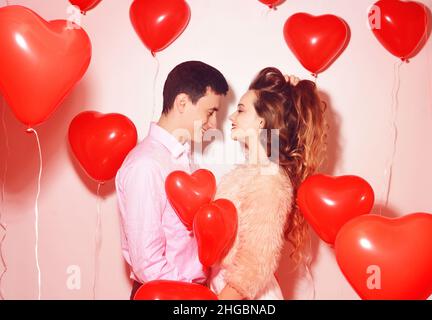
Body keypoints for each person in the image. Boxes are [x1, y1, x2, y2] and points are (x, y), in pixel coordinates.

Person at [208, 67, 327, 300]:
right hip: (223, 288)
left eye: (241, 110)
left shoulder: (269, 181)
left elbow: (254, 266)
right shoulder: (247, 174)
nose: (231, 117)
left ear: (262, 122)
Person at [115, 61, 229, 299]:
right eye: (210, 113)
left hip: (189, 292)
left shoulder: (184, 160)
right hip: (168, 294)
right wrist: (196, 297)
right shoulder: (146, 165)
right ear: (182, 103)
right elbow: (148, 263)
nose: (213, 125)